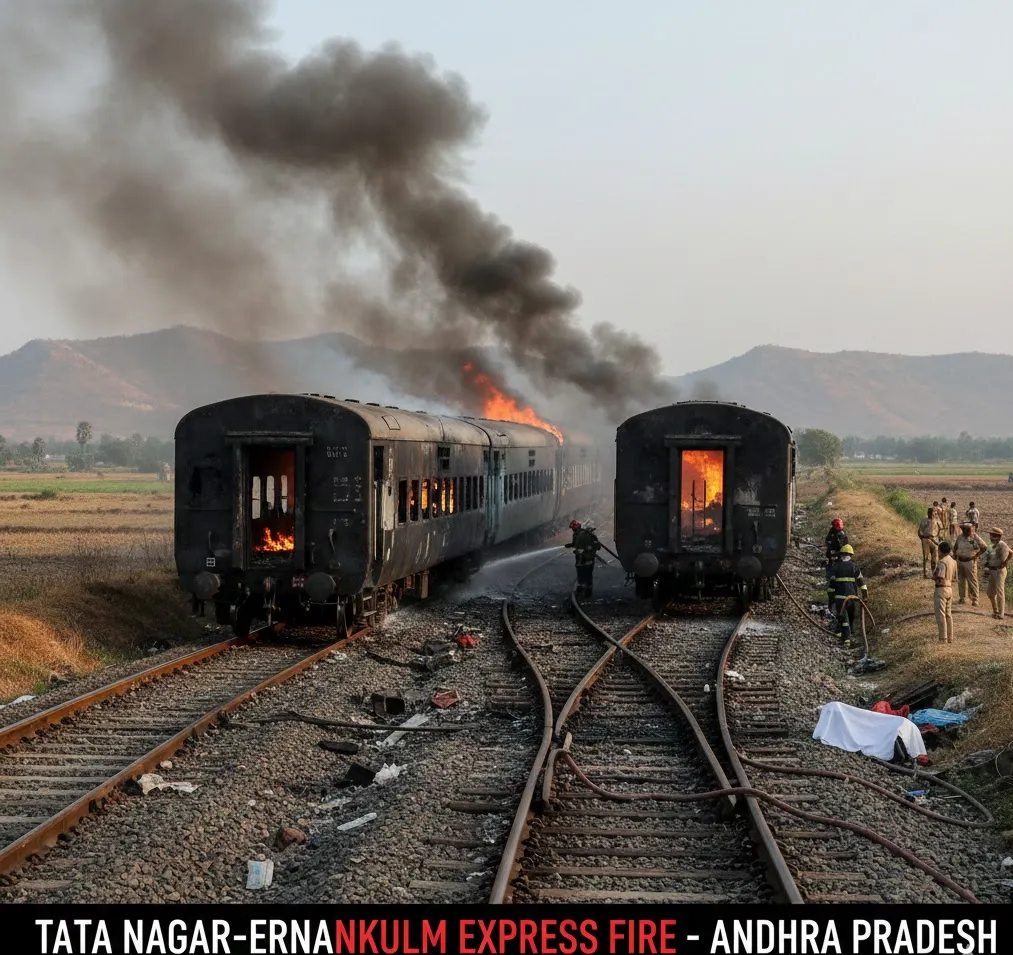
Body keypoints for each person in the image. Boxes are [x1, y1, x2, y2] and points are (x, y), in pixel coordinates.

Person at [827, 544, 868, 644]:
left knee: (842, 616)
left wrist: (831, 598)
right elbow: (861, 583)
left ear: (841, 555)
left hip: (840, 597)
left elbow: (832, 584)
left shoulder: (836, 567)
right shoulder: (854, 566)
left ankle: (846, 639)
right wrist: (865, 595)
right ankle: (847, 632)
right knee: (850, 615)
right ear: (851, 555)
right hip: (852, 596)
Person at [953, 523, 987, 606]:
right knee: (961, 580)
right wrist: (954, 557)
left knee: (972, 581)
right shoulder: (960, 537)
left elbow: (984, 547)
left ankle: (975, 599)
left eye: (970, 530)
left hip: (970, 561)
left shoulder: (975, 537)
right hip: (960, 561)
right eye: (967, 530)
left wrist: (976, 555)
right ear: (963, 530)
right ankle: (962, 598)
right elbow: (955, 547)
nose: (969, 532)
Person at [566, 521, 602, 598]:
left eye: (573, 528)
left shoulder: (580, 535)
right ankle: (588, 591)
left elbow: (580, 548)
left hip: (582, 558)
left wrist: (578, 551)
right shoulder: (582, 534)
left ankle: (582, 589)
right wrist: (571, 545)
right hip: (589, 558)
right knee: (588, 574)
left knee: (581, 572)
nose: (572, 529)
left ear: (576, 528)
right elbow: (597, 547)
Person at [984, 527, 1012, 620]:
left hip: (999, 571)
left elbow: (1010, 553)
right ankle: (995, 610)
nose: (991, 537)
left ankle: (1001, 613)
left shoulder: (1002, 545)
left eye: (993, 536)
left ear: (998, 536)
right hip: (992, 570)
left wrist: (1006, 562)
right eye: (991, 535)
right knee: (990, 593)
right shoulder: (993, 545)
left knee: (1000, 592)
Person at [932, 541, 956, 644]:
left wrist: (934, 577)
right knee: (948, 614)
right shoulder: (953, 561)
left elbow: (940, 577)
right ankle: (950, 637)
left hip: (941, 589)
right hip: (949, 588)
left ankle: (943, 638)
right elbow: (954, 578)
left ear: (940, 551)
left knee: (940, 614)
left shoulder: (942, 562)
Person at [917, 507, 941, 579]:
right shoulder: (924, 520)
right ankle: (925, 574)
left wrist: (938, 538)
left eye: (932, 512)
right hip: (926, 539)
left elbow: (940, 529)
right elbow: (919, 530)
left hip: (934, 540)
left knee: (934, 558)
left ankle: (934, 573)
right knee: (926, 558)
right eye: (929, 513)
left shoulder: (937, 520)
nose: (931, 514)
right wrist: (922, 538)